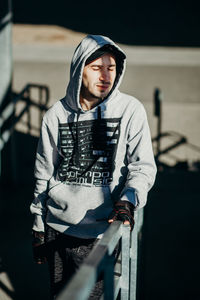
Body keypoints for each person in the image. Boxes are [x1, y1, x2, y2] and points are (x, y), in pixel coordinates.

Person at [30, 34, 157, 299]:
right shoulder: (56, 114)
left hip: (101, 233)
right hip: (58, 228)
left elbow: (142, 167)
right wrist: (38, 225)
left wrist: (128, 200)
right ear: (79, 70)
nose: (105, 76)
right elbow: (43, 172)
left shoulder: (130, 110)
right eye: (96, 68)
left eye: (111, 68)